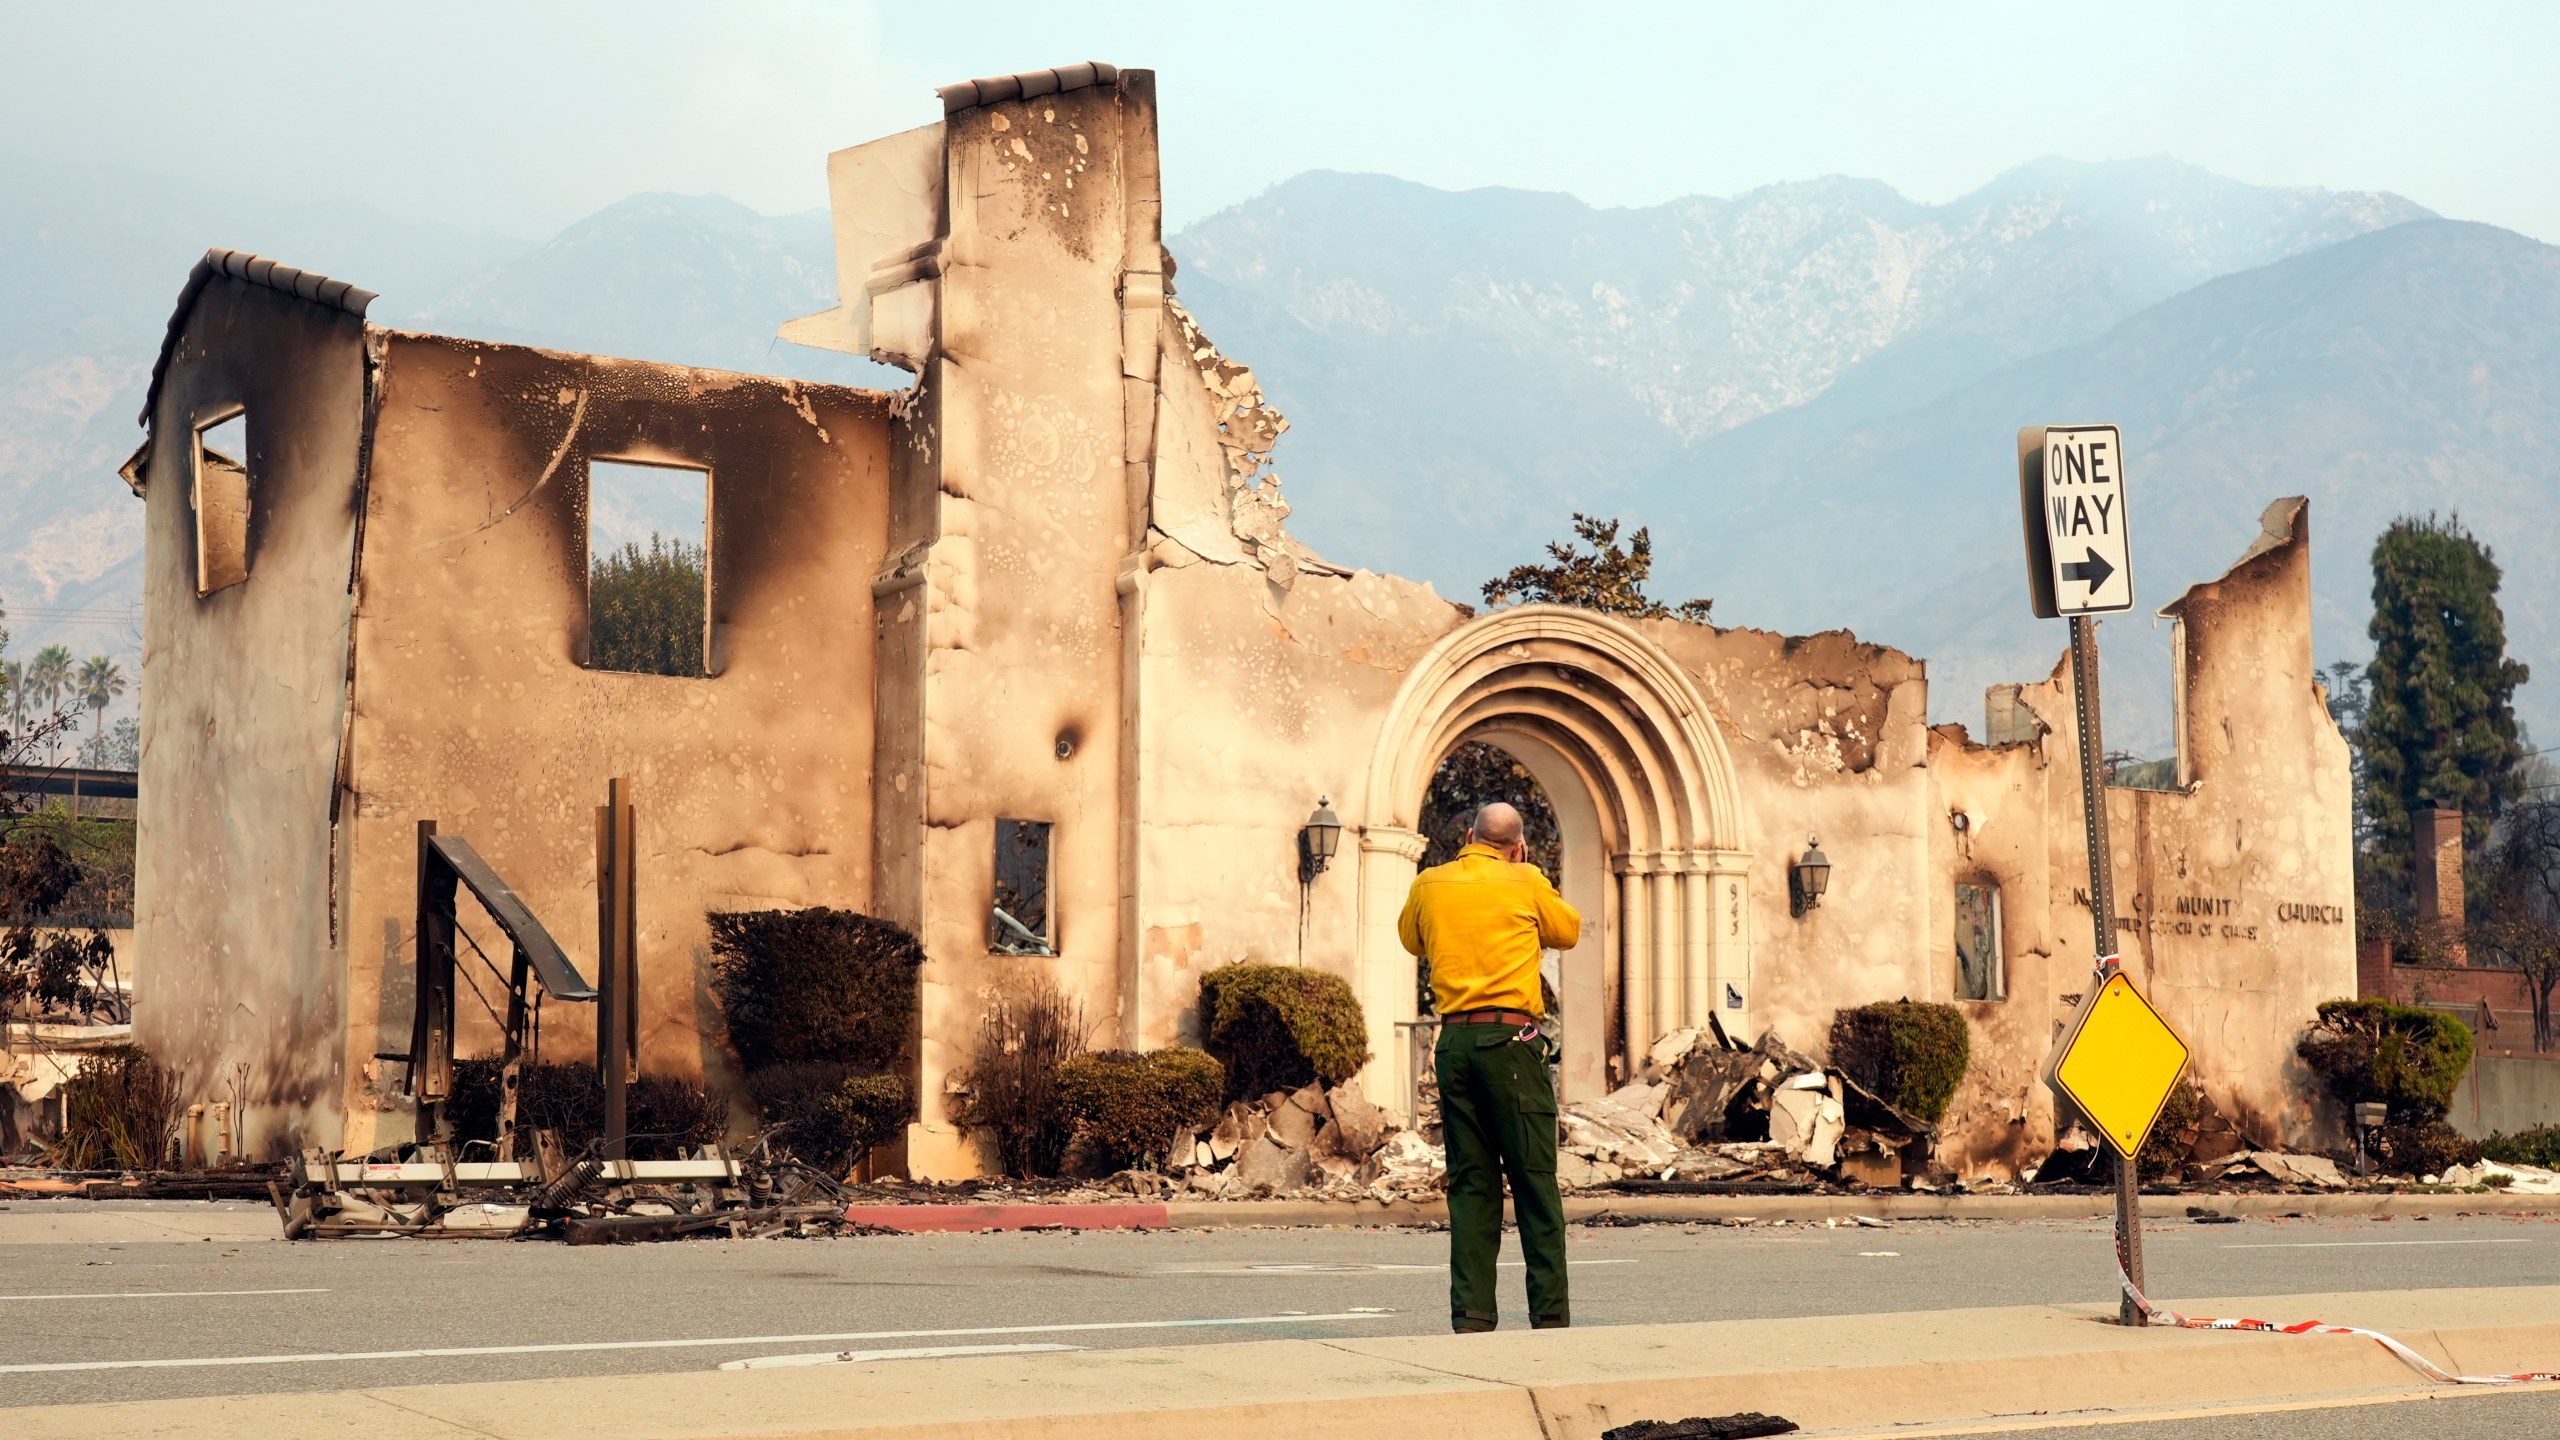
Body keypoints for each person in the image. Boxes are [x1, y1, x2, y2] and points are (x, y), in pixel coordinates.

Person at [1397, 800, 1581, 1332]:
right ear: (1516, 844)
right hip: (1511, 1043)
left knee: (1471, 1183)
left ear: (1470, 835)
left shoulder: (1430, 883)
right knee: (1533, 1181)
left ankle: (1472, 1315)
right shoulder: (1524, 880)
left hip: (1454, 1043)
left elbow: (1411, 940)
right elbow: (1567, 930)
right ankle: (1549, 1312)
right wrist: (1526, 872)